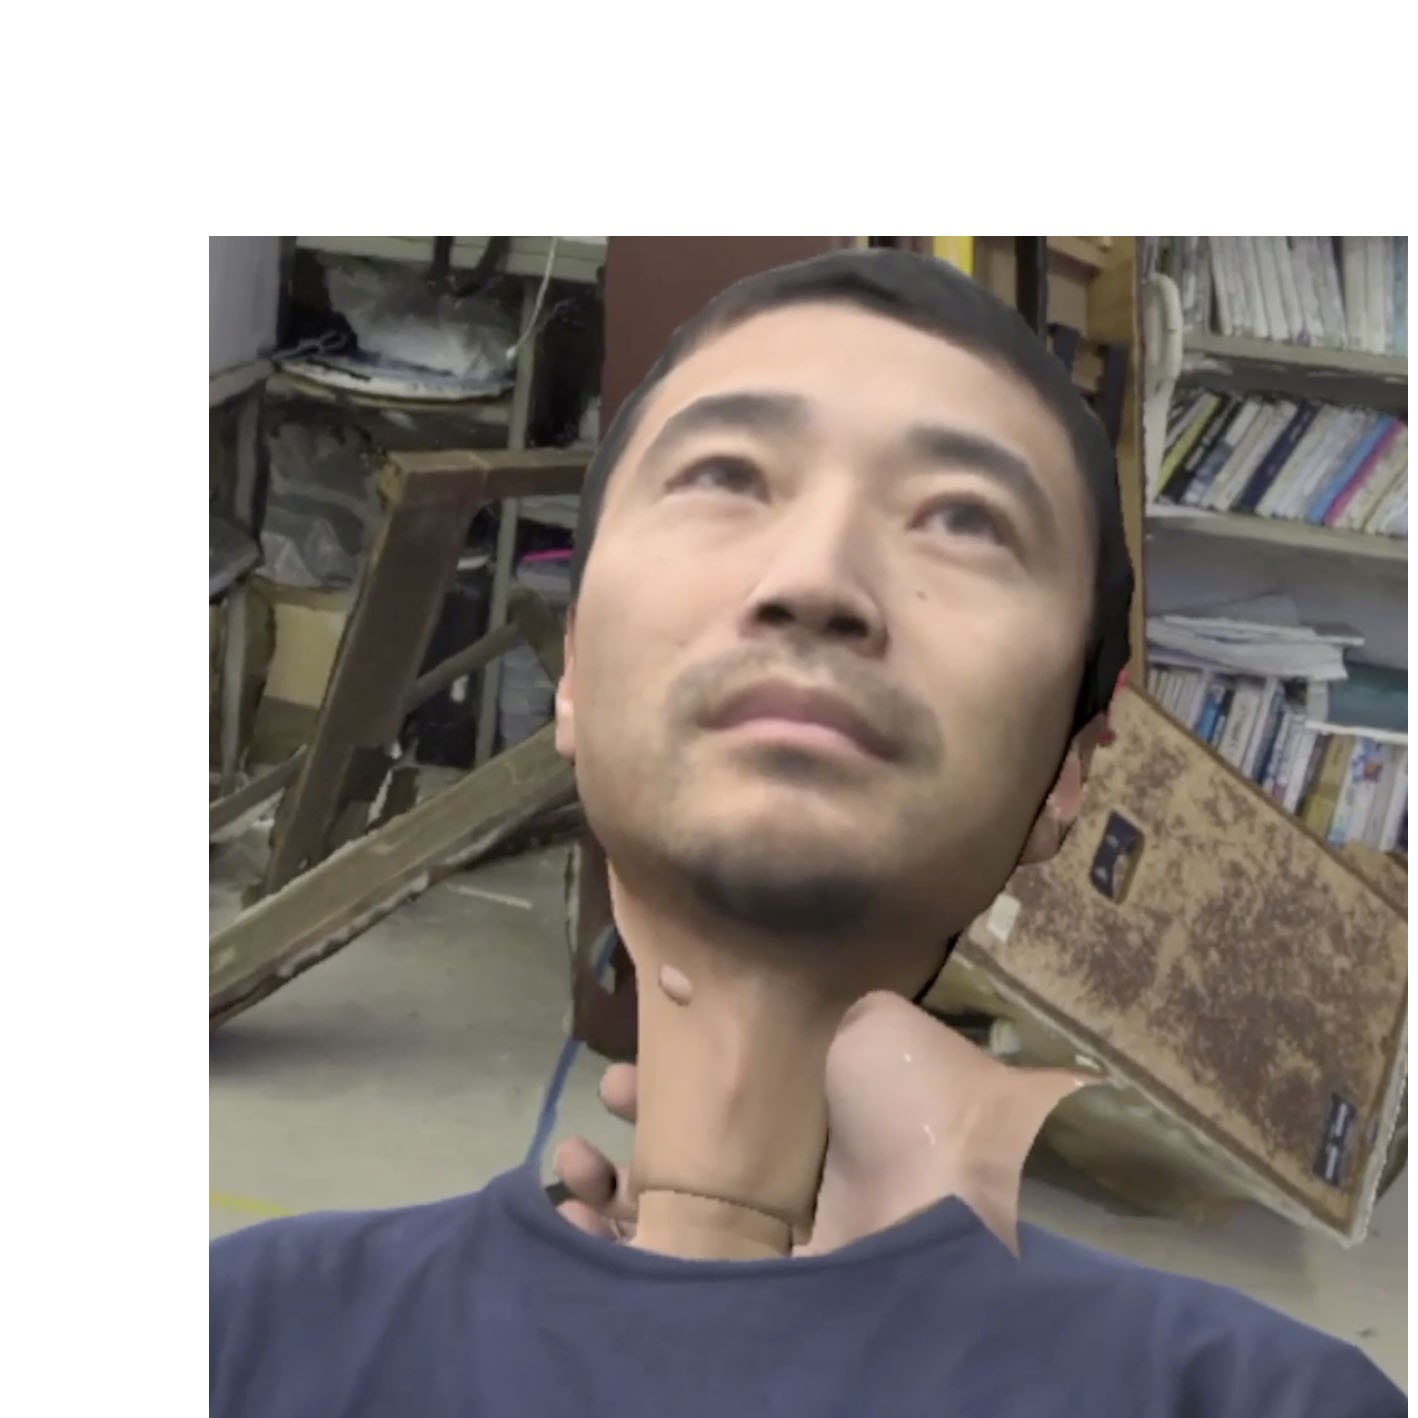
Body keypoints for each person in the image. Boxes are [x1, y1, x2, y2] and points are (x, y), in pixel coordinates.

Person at [210, 249, 1403, 1416]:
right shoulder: (233, 1335)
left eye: (964, 518)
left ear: (1066, 773)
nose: (815, 578)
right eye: (725, 475)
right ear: (572, 670)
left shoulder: (1254, 1398)